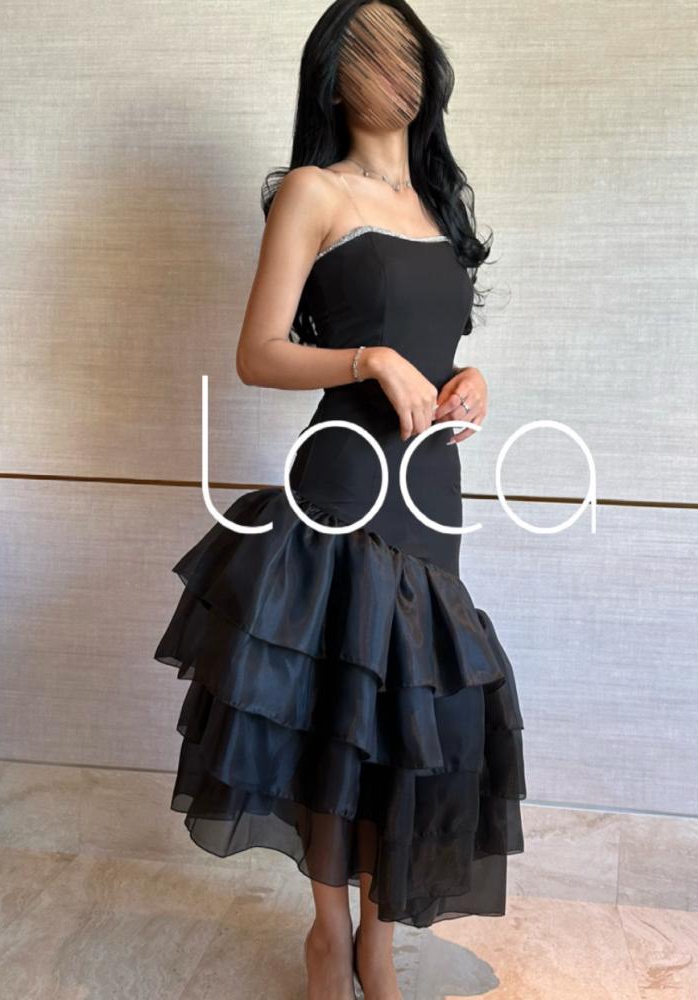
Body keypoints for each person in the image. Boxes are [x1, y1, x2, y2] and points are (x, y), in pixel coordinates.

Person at [154, 3, 526, 998]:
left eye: (405, 48)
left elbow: (435, 347)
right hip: (344, 487)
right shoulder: (312, 192)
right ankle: (331, 934)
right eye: (367, 50)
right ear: (332, 76)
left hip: (430, 491)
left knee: (403, 721)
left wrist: (471, 379)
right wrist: (367, 358)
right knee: (334, 714)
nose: (392, 67)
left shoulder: (440, 207)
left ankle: (378, 938)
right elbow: (258, 352)